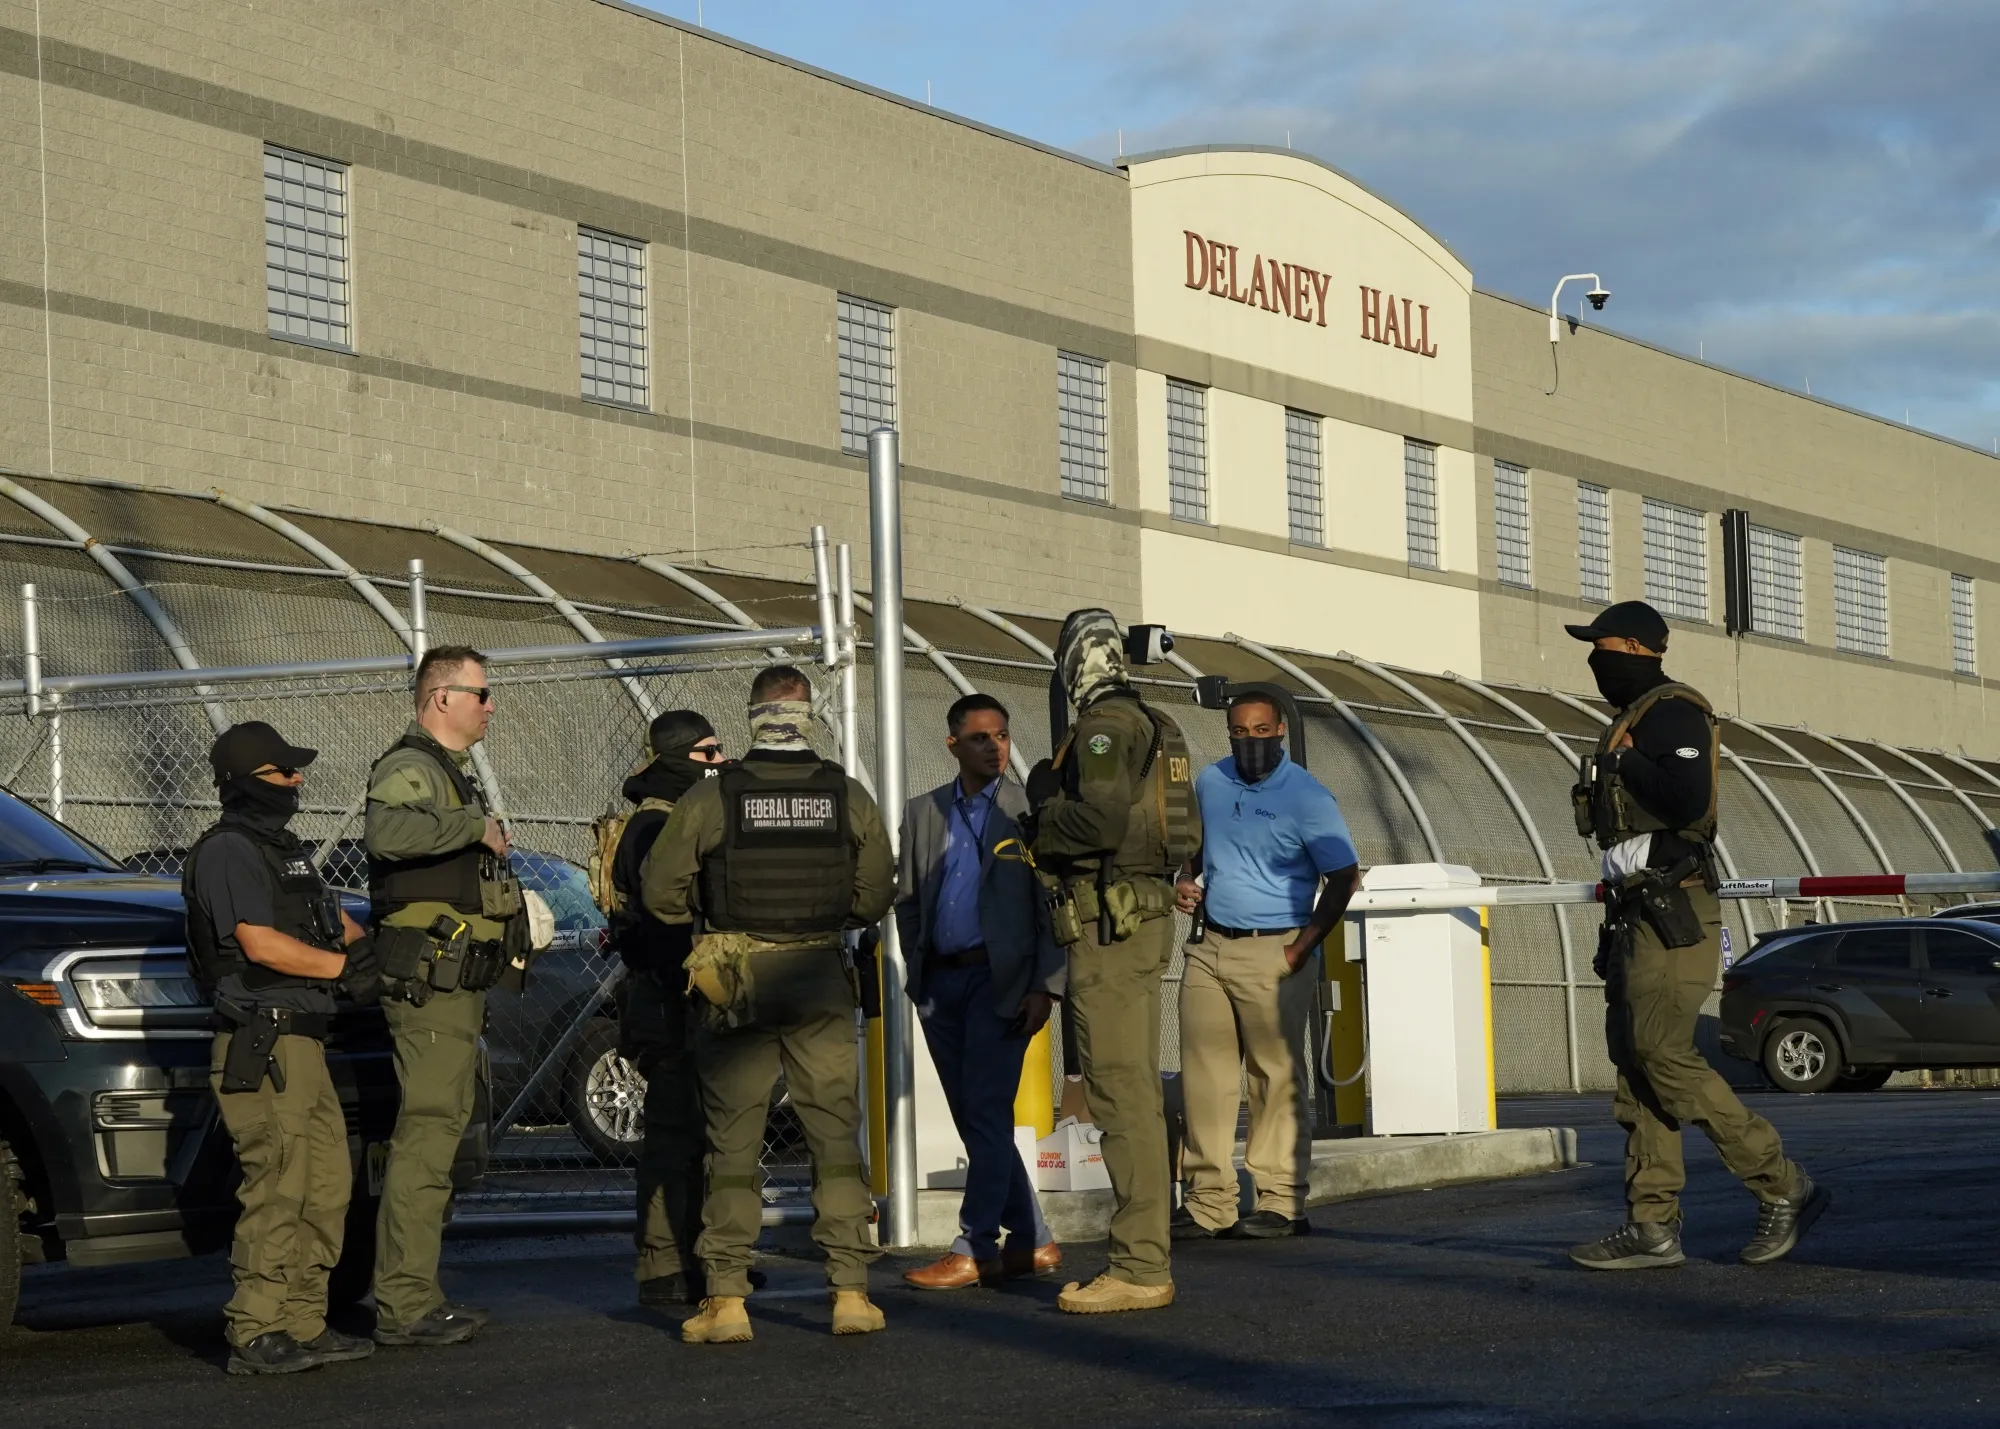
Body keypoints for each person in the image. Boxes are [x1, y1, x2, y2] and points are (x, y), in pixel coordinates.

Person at [1565, 600, 1827, 1270]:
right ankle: (1652, 1221)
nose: (1595, 659)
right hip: (1632, 912)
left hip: (1672, 907)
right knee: (1637, 1063)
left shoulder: (1672, 711)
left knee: (1663, 1051)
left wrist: (1624, 765)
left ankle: (1780, 1181)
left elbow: (1684, 800)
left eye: (1601, 646)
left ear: (1632, 645)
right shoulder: (1629, 720)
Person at [641, 665, 895, 1343]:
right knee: (834, 1139)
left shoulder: (712, 794)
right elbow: (875, 893)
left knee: (732, 1142)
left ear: (752, 715)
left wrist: (714, 914)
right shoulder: (847, 793)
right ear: (809, 715)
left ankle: (726, 1299)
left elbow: (660, 890)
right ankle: (850, 1291)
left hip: (736, 980)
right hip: (818, 976)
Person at [183, 720, 380, 1376]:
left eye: (295, 771)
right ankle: (256, 1327)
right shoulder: (229, 850)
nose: (297, 781)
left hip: (304, 1041)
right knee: (278, 1183)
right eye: (283, 772)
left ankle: (302, 1318)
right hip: (261, 1038)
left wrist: (378, 954)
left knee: (326, 1183)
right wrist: (341, 970)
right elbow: (259, 943)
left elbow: (334, 920)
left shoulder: (284, 848)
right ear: (244, 781)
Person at [1026, 609, 1199, 1315]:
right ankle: (1142, 1255)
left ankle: (1139, 1264)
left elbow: (1097, 823)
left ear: (1076, 664)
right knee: (1132, 1092)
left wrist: (1041, 815)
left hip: (1110, 924)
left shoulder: (1104, 728)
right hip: (1141, 915)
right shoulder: (1160, 726)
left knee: (1120, 1091)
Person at [364, 645, 525, 1344]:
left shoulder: (445, 773)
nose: (491, 706)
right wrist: (473, 828)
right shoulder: (410, 767)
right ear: (441, 699)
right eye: (481, 694)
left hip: (456, 985)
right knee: (425, 1137)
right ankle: (403, 1304)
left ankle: (417, 1294)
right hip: (430, 985)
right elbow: (387, 832)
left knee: (438, 1136)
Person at [1171, 691, 1359, 1241]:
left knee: (1273, 1077)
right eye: (1238, 731)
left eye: (1260, 731)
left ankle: (1281, 1201)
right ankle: (1209, 1202)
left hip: (1274, 949)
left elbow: (1345, 878)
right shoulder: (1211, 780)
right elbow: (1197, 848)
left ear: (1280, 730)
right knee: (1203, 1077)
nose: (1249, 741)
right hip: (1210, 948)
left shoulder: (1307, 796)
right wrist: (1186, 882)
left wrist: (1299, 951)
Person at [895, 692, 1067, 1291]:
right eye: (979, 738)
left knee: (988, 1113)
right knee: (977, 1120)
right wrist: (918, 977)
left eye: (1002, 736)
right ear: (952, 745)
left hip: (1003, 984)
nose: (995, 747)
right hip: (941, 982)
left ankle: (974, 1246)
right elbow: (909, 900)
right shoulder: (922, 813)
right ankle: (1035, 1240)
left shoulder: (1030, 811)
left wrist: (1046, 985)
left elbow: (1053, 908)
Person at [607, 710, 728, 1307]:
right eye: (709, 753)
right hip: (667, 996)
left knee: (694, 1131)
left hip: (675, 993)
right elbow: (663, 921)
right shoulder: (657, 827)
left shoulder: (670, 819)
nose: (720, 762)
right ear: (682, 757)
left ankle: (695, 1257)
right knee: (674, 1132)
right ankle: (662, 1264)